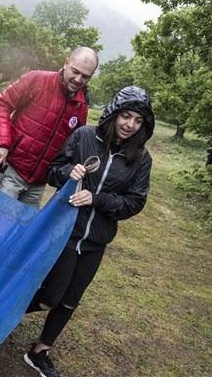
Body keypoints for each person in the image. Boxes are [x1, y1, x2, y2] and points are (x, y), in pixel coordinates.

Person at [22, 86, 155, 377]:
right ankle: (3, 310)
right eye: (126, 116)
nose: (130, 125)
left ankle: (40, 351)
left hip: (96, 240)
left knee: (70, 300)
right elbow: (54, 170)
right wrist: (68, 173)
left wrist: (97, 198)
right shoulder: (84, 136)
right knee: (50, 297)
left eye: (138, 121)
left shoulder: (141, 159)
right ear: (114, 113)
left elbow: (135, 202)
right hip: (66, 233)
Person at [0, 47, 98, 207]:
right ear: (66, 62)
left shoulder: (81, 106)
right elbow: (1, 104)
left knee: (21, 229)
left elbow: (72, 148)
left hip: (38, 184)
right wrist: (2, 144)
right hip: (11, 170)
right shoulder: (37, 79)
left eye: (85, 76)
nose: (78, 79)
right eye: (75, 71)